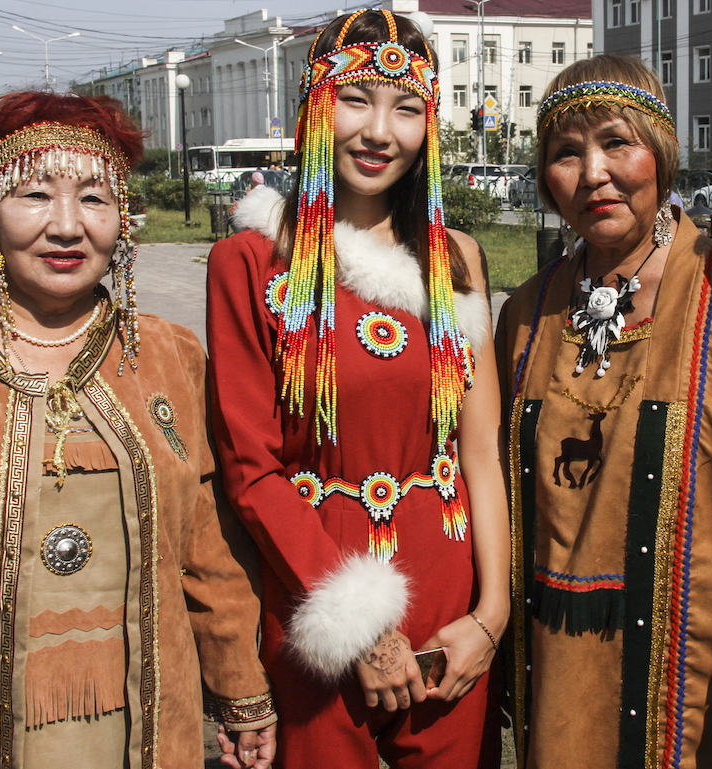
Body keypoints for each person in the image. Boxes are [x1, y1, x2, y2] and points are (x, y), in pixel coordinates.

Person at [0, 91, 277, 769]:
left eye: (94, 199)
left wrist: (240, 688)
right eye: (34, 195)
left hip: (144, 727)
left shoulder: (169, 357)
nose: (67, 226)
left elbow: (207, 547)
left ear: (121, 219)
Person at [207, 9, 509, 769]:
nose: (379, 131)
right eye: (355, 100)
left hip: (451, 591)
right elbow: (250, 469)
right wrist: (363, 630)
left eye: (406, 109)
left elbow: (480, 450)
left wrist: (492, 614)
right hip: (319, 596)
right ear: (316, 105)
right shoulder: (252, 261)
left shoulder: (458, 258)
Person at [495, 55, 712, 769]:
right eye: (565, 154)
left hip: (701, 689)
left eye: (617, 142)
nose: (593, 173)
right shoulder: (526, 315)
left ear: (662, 153)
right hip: (559, 681)